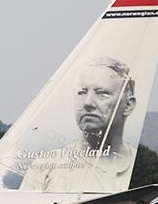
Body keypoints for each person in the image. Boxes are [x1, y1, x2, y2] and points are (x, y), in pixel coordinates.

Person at [19, 57, 137, 192]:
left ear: (128, 105)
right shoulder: (47, 166)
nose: (88, 103)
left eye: (102, 93)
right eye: (82, 92)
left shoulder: (139, 165)